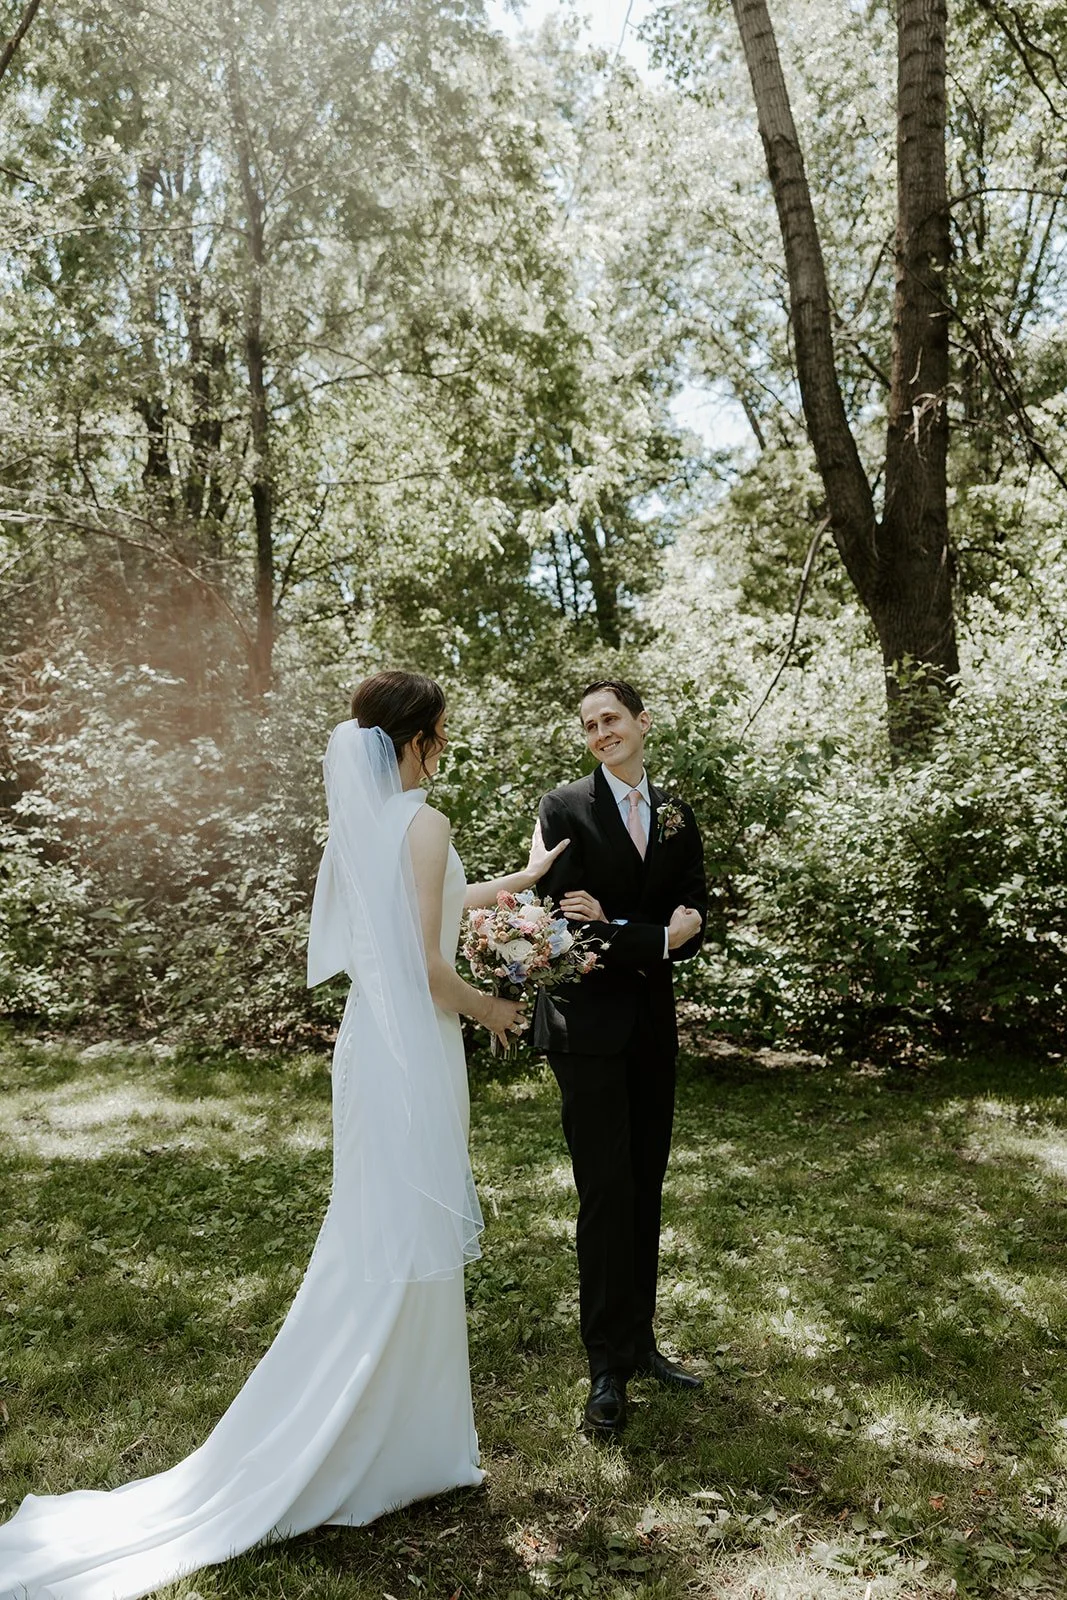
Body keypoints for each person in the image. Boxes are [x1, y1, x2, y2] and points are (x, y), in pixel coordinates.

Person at [0, 670, 566, 1600]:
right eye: (441, 732)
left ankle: (403, 1439)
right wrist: (493, 1011)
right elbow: (429, 969)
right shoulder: (424, 821)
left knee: (380, 1230)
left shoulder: (365, 830)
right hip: (415, 1049)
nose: (445, 746)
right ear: (416, 739)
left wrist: (526, 880)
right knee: (399, 1233)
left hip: (371, 1053)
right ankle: (378, 1444)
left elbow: (417, 912)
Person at [532, 679, 707, 1440]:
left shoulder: (675, 812)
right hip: (586, 1030)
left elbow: (699, 911)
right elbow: (564, 932)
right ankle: (604, 1367)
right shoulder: (564, 808)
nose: (600, 732)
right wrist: (656, 937)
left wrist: (646, 929)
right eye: (588, 725)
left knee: (645, 1184)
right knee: (605, 1191)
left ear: (642, 722)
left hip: (650, 1027)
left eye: (610, 719)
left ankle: (640, 1345)